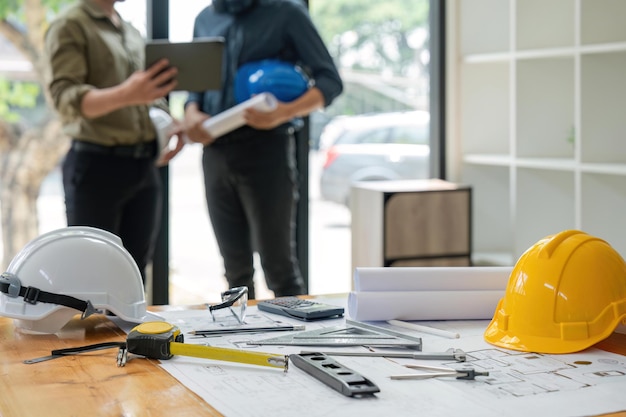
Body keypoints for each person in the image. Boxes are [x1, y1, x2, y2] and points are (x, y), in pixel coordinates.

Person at [184, 0, 343, 299]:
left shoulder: (287, 12)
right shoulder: (204, 18)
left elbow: (330, 81)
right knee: (235, 271)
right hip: (215, 153)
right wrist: (191, 111)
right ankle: (239, 345)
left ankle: (300, 345)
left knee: (279, 269)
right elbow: (197, 90)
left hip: (266, 151)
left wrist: (285, 112)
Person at [44, 0, 185, 282]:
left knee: (133, 275)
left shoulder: (131, 30)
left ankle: (128, 328)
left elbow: (145, 93)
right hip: (96, 168)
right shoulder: (70, 25)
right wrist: (127, 94)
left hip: (143, 167)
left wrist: (172, 121)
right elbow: (65, 99)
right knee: (93, 277)